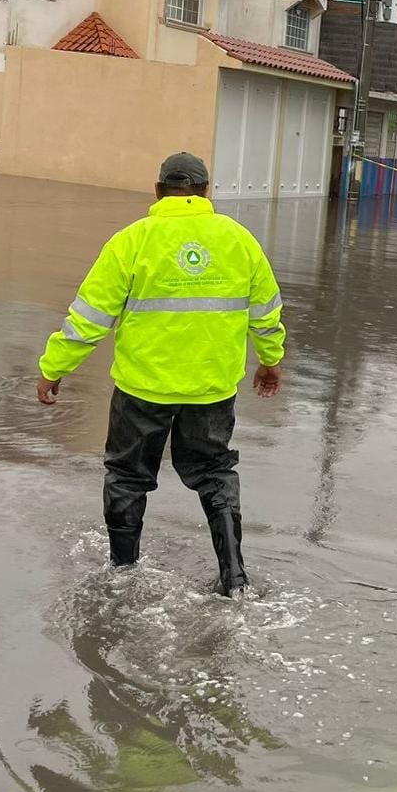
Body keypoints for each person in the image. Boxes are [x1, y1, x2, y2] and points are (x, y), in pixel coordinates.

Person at [35, 152, 285, 600]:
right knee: (215, 473)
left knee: (128, 477)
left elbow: (89, 318)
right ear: (206, 191)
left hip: (142, 388)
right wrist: (270, 360)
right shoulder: (239, 240)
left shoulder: (131, 241)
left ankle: (123, 572)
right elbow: (265, 312)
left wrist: (54, 368)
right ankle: (234, 579)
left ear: (157, 191)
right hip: (211, 388)